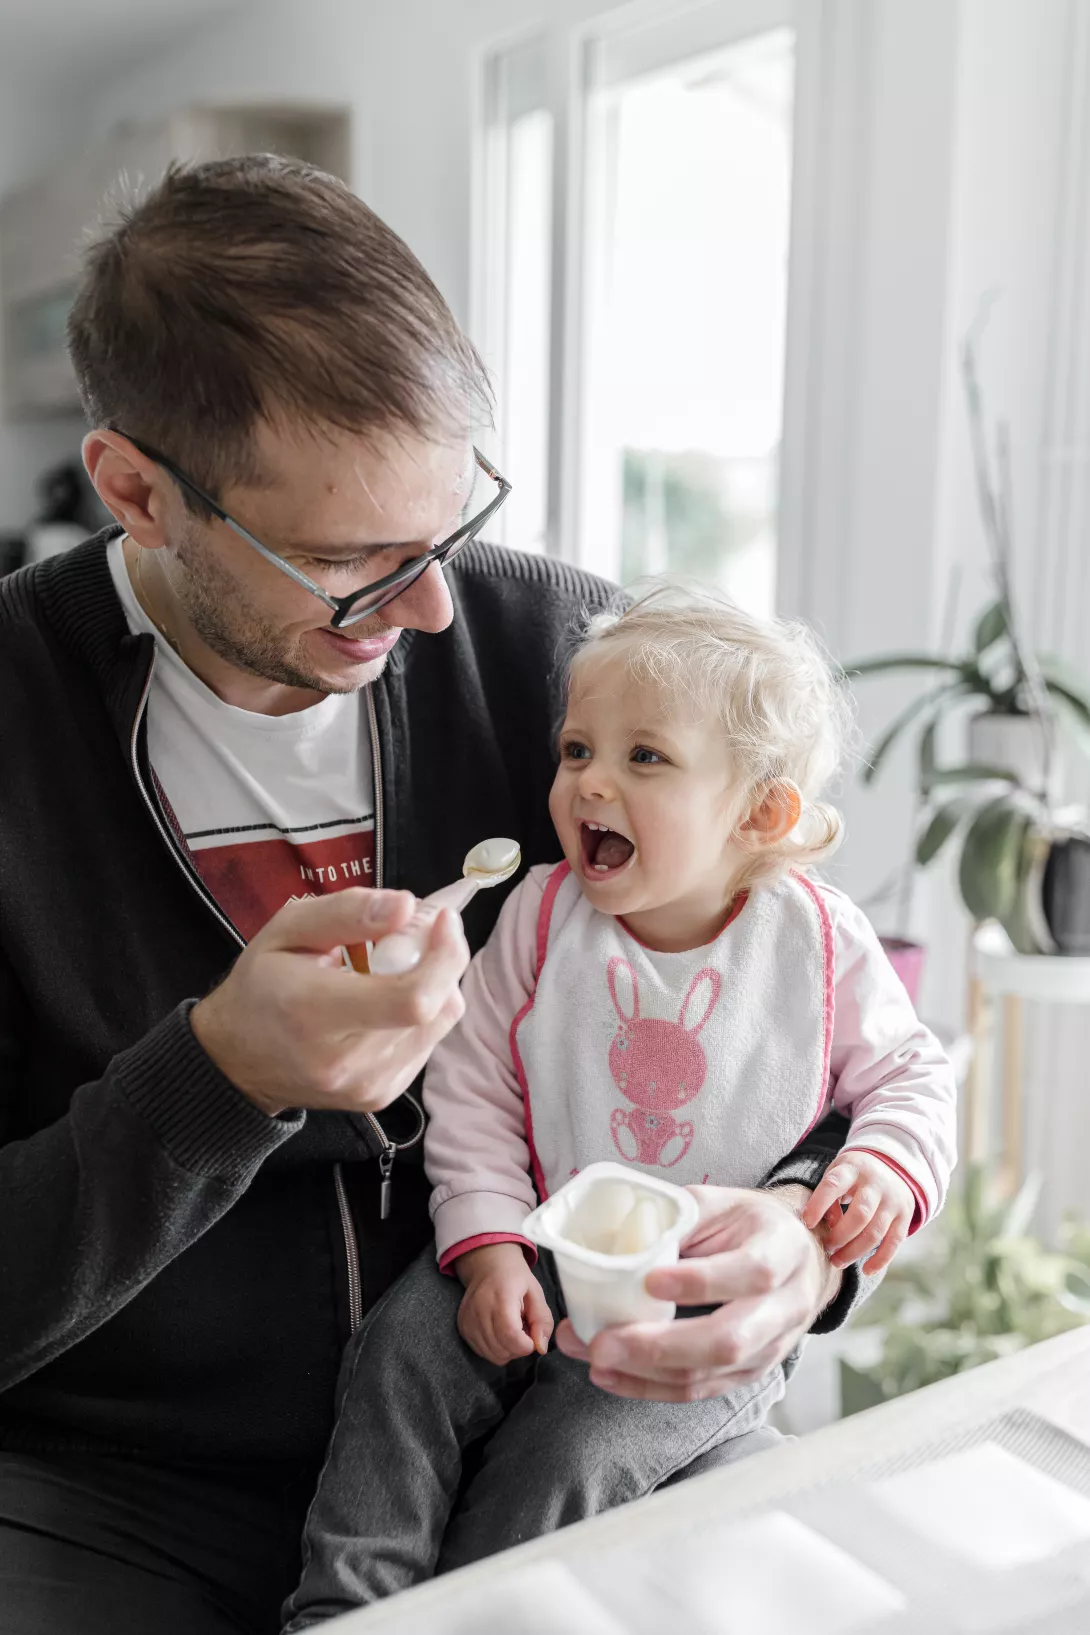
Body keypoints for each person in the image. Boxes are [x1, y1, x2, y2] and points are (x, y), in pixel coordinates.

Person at [1, 156, 861, 1635]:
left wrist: (801, 1238)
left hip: (546, 1405)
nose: (432, 607)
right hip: (113, 1494)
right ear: (137, 491)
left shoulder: (573, 660)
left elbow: (811, 993)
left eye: (449, 528)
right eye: (346, 562)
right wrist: (217, 1079)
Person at [281, 585, 958, 1629]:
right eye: (576, 750)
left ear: (759, 813)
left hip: (704, 1301)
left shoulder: (818, 942)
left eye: (645, 757)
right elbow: (471, 1091)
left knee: (573, 1453)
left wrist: (882, 1166)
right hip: (541, 1246)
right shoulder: (538, 917)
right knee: (400, 1355)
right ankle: (344, 1605)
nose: (590, 781)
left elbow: (914, 1074)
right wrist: (490, 1246)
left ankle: (471, 1621)